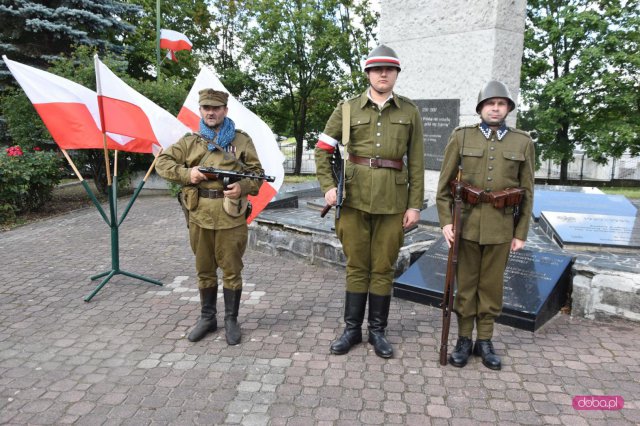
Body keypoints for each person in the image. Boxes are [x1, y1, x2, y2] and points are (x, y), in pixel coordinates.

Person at [315, 45, 425, 358]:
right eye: (377, 69)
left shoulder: (409, 111)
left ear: (396, 74)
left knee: (384, 267)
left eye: (389, 69)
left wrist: (414, 205)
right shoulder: (347, 108)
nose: (383, 74)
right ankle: (351, 329)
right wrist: (327, 186)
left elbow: (415, 161)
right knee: (356, 265)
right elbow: (323, 149)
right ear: (367, 73)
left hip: (393, 202)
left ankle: (377, 331)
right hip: (352, 199)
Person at [436, 80, 535, 370]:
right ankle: (464, 339)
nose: (495, 108)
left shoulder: (522, 142)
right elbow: (443, 187)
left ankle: (485, 340)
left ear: (508, 109)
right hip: (465, 224)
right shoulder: (461, 137)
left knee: (491, 288)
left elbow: (527, 191)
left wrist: (520, 232)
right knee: (465, 285)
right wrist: (445, 222)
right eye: (490, 103)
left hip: (501, 228)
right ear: (480, 108)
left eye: (501, 104)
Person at [156, 89, 264, 345]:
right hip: (199, 216)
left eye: (216, 108)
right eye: (206, 107)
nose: (211, 112)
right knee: (204, 270)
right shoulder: (190, 142)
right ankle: (207, 318)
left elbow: (257, 174)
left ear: (225, 110)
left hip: (231, 216)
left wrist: (243, 187)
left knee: (231, 270)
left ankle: (231, 320)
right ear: (200, 110)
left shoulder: (241, 140)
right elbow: (162, 163)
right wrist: (188, 175)